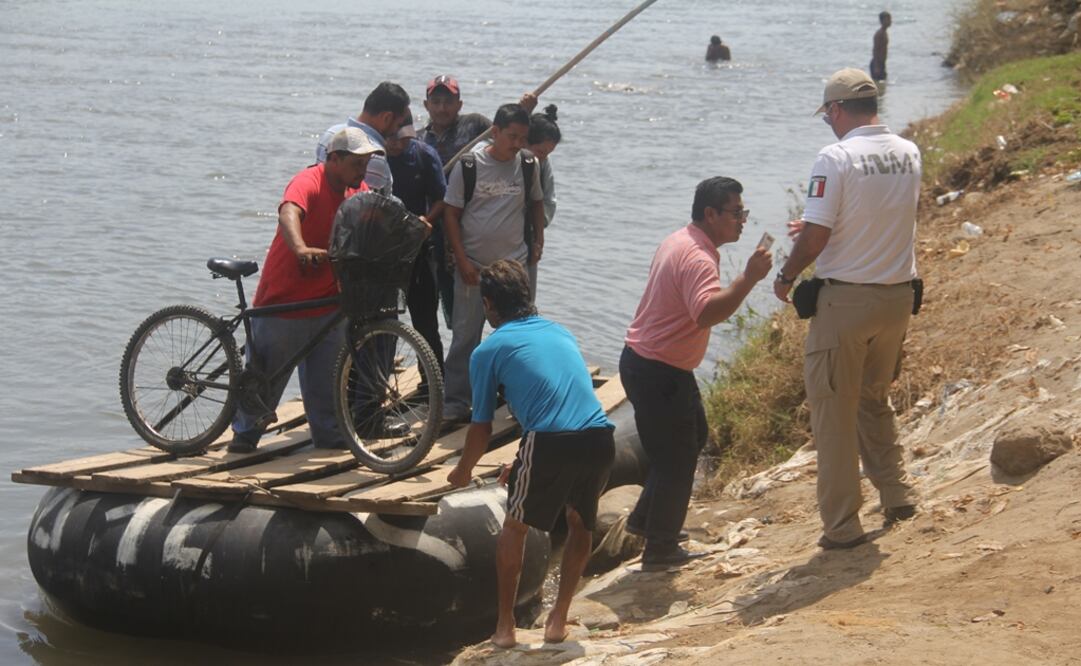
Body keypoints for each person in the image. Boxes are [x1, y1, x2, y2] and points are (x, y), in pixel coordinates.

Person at [773, 67, 921, 549]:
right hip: (898, 298)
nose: (827, 124)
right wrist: (819, 224)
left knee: (833, 417)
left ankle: (841, 526)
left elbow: (817, 237)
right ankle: (897, 494)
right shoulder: (908, 152)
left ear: (837, 109)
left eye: (827, 115)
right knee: (873, 400)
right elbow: (875, 214)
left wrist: (787, 275)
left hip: (847, 302)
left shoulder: (834, 156)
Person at [446, 259, 615, 648]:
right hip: (599, 436)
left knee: (515, 526)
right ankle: (557, 621)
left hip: (551, 442)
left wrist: (463, 470)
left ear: (488, 304)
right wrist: (521, 461)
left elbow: (481, 427)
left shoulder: (488, 350)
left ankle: (505, 628)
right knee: (580, 522)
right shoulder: (561, 332)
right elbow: (558, 401)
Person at [621, 177, 772, 568]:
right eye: (737, 213)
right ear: (711, 213)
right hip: (658, 369)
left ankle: (647, 521)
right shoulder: (698, 256)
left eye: (744, 212)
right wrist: (749, 279)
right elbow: (706, 312)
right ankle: (661, 548)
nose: (743, 221)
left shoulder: (682, 240)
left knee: (691, 440)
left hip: (653, 362)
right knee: (676, 458)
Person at [229, 128, 384, 453]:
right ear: (334, 159)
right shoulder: (309, 181)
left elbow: (374, 217)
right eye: (357, 163)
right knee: (266, 376)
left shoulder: (358, 190)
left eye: (366, 164)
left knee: (328, 382)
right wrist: (300, 247)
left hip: (328, 302)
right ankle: (244, 438)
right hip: (285, 300)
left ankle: (329, 440)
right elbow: (289, 211)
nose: (362, 171)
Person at [441, 103, 545, 423]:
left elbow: (537, 204)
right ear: (495, 132)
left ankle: (517, 400)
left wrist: (538, 240)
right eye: (511, 136)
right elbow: (451, 215)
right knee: (465, 337)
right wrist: (461, 261)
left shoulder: (528, 164)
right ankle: (456, 402)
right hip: (474, 267)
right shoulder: (469, 165)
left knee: (519, 338)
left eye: (522, 138)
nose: (516, 144)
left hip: (515, 269)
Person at [418, 75, 538, 325]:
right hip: (434, 231)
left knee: (504, 314)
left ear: (459, 104)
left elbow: (504, 129)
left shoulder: (474, 126)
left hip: (468, 219)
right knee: (452, 312)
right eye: (436, 102)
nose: (442, 108)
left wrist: (523, 110)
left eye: (448, 102)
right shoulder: (420, 140)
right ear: (426, 105)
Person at [384, 109, 447, 370]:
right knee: (381, 323)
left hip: (419, 251)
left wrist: (427, 220)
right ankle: (372, 386)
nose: (398, 144)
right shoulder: (374, 157)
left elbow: (443, 199)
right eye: (392, 139)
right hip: (382, 255)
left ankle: (431, 384)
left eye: (404, 138)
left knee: (426, 323)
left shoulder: (423, 154)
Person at [314, 81, 411, 194]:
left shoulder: (330, 133)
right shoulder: (373, 155)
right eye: (398, 125)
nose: (396, 131)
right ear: (387, 118)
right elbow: (366, 207)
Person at [525, 104, 562, 294]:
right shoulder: (508, 162)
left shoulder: (543, 164)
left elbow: (548, 203)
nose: (542, 158)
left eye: (548, 154)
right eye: (539, 152)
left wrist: (537, 236)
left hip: (528, 239)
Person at [870, 11, 891, 82]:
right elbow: (875, 50)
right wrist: (876, 66)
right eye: (887, 19)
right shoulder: (879, 34)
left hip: (881, 63)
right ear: (882, 21)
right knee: (877, 87)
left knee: (882, 85)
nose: (890, 21)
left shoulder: (884, 32)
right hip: (877, 63)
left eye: (890, 19)